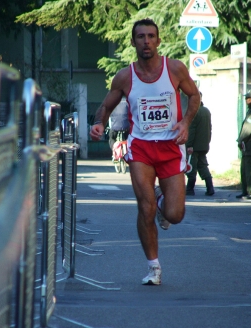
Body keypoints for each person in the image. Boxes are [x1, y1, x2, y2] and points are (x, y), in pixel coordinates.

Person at [90, 18, 200, 285]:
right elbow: (106, 105)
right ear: (133, 42)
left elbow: (195, 96)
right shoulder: (125, 76)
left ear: (158, 41)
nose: (146, 41)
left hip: (171, 146)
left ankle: (164, 202)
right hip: (141, 148)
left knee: (175, 214)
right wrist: (98, 122)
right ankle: (153, 267)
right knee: (145, 208)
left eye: (151, 36)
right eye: (141, 37)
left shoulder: (174, 69)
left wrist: (185, 122)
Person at [185, 91, 214, 196]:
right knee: (203, 166)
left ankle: (189, 189)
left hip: (194, 146)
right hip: (203, 145)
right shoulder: (206, 111)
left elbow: (191, 130)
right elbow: (209, 129)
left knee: (191, 167)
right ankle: (210, 187)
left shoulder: (194, 112)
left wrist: (189, 145)